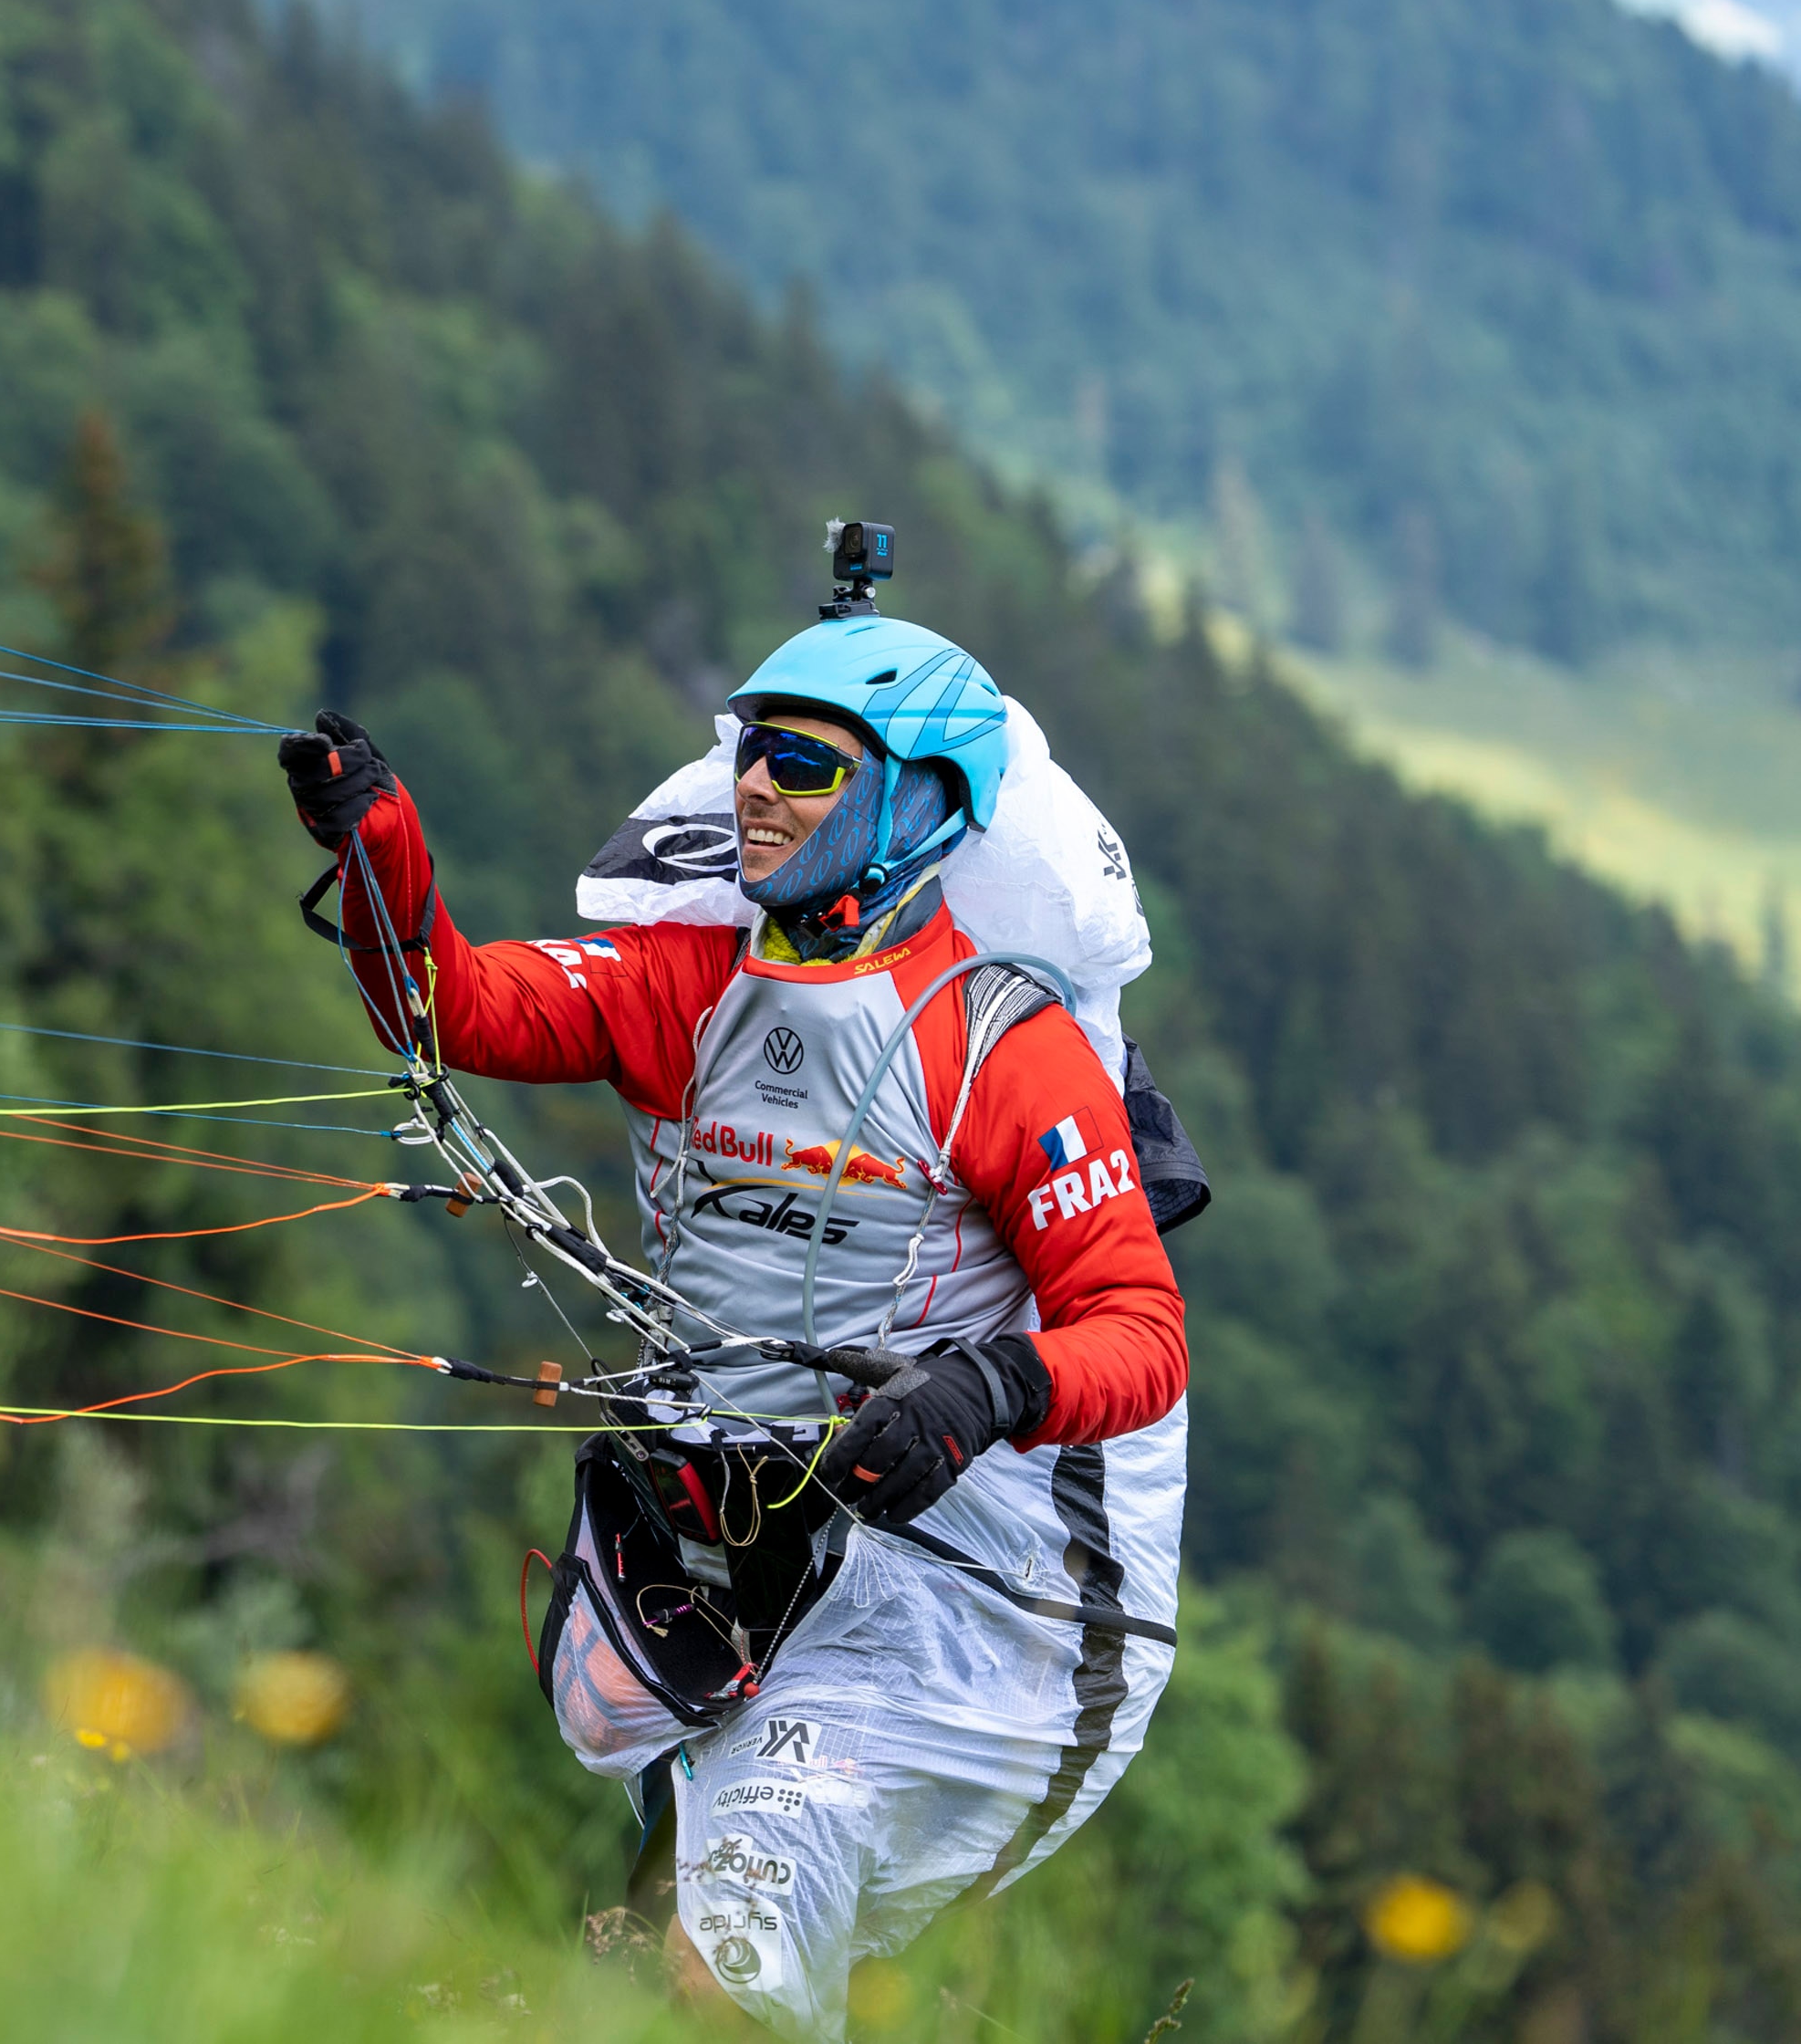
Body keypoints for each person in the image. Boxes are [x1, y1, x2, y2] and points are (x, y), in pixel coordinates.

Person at [281, 609, 1188, 2039]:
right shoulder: (692, 982)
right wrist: (379, 843)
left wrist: (978, 1392)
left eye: (808, 765)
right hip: (750, 1564)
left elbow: (1140, 1328)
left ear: (920, 803)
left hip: (972, 1603)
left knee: (711, 1959)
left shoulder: (1006, 1046)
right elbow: (457, 1004)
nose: (757, 785)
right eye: (754, 751)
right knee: (657, 1955)